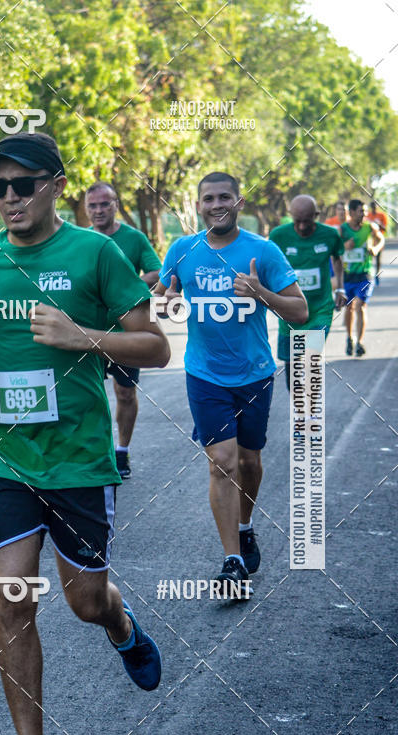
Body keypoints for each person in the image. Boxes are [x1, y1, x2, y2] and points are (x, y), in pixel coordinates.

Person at [0, 132, 170, 735]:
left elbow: (156, 347)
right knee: (13, 594)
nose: (8, 198)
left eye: (22, 185)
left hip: (77, 456)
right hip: (5, 453)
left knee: (83, 601)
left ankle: (121, 627)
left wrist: (86, 337)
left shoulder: (97, 254)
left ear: (54, 185)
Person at [153, 172, 307, 591]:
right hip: (204, 373)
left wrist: (262, 294)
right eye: (208, 198)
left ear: (239, 203)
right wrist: (166, 304)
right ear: (198, 205)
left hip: (254, 373)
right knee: (223, 461)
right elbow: (164, 300)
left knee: (250, 462)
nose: (216, 204)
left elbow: (300, 312)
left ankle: (246, 525)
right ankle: (232, 561)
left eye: (225, 197)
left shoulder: (263, 251)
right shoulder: (184, 250)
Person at [85, 181, 161, 478]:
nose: (99, 210)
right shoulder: (81, 240)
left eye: (105, 204)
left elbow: (157, 271)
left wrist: (124, 291)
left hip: (128, 333)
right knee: (88, 395)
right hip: (88, 333)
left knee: (125, 394)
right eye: (93, 205)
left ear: (116, 204)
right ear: (87, 209)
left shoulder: (134, 238)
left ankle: (122, 451)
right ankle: (95, 451)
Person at [270, 195, 346, 389]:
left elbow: (337, 259)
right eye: (297, 221)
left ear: (317, 215)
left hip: (320, 309)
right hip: (290, 311)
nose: (302, 227)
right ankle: (299, 408)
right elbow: (268, 265)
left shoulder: (330, 235)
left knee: (310, 356)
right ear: (291, 216)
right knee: (293, 364)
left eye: (307, 221)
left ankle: (309, 406)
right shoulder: (279, 236)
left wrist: (340, 288)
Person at [341, 199, 384, 356]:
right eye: (361, 211)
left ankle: (360, 342)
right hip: (347, 275)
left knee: (361, 305)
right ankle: (349, 338)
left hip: (365, 274)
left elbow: (381, 239)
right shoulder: (343, 229)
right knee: (349, 307)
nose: (365, 214)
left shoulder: (369, 227)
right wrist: (344, 246)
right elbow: (335, 248)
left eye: (365, 211)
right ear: (351, 212)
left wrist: (375, 248)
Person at [366, 200, 388, 284]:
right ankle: (369, 274)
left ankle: (377, 274)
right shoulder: (368, 215)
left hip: (378, 239)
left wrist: (378, 224)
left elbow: (385, 228)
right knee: (369, 258)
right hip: (370, 239)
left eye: (375, 207)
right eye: (372, 207)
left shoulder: (382, 215)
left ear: (377, 207)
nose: (374, 209)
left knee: (378, 259)